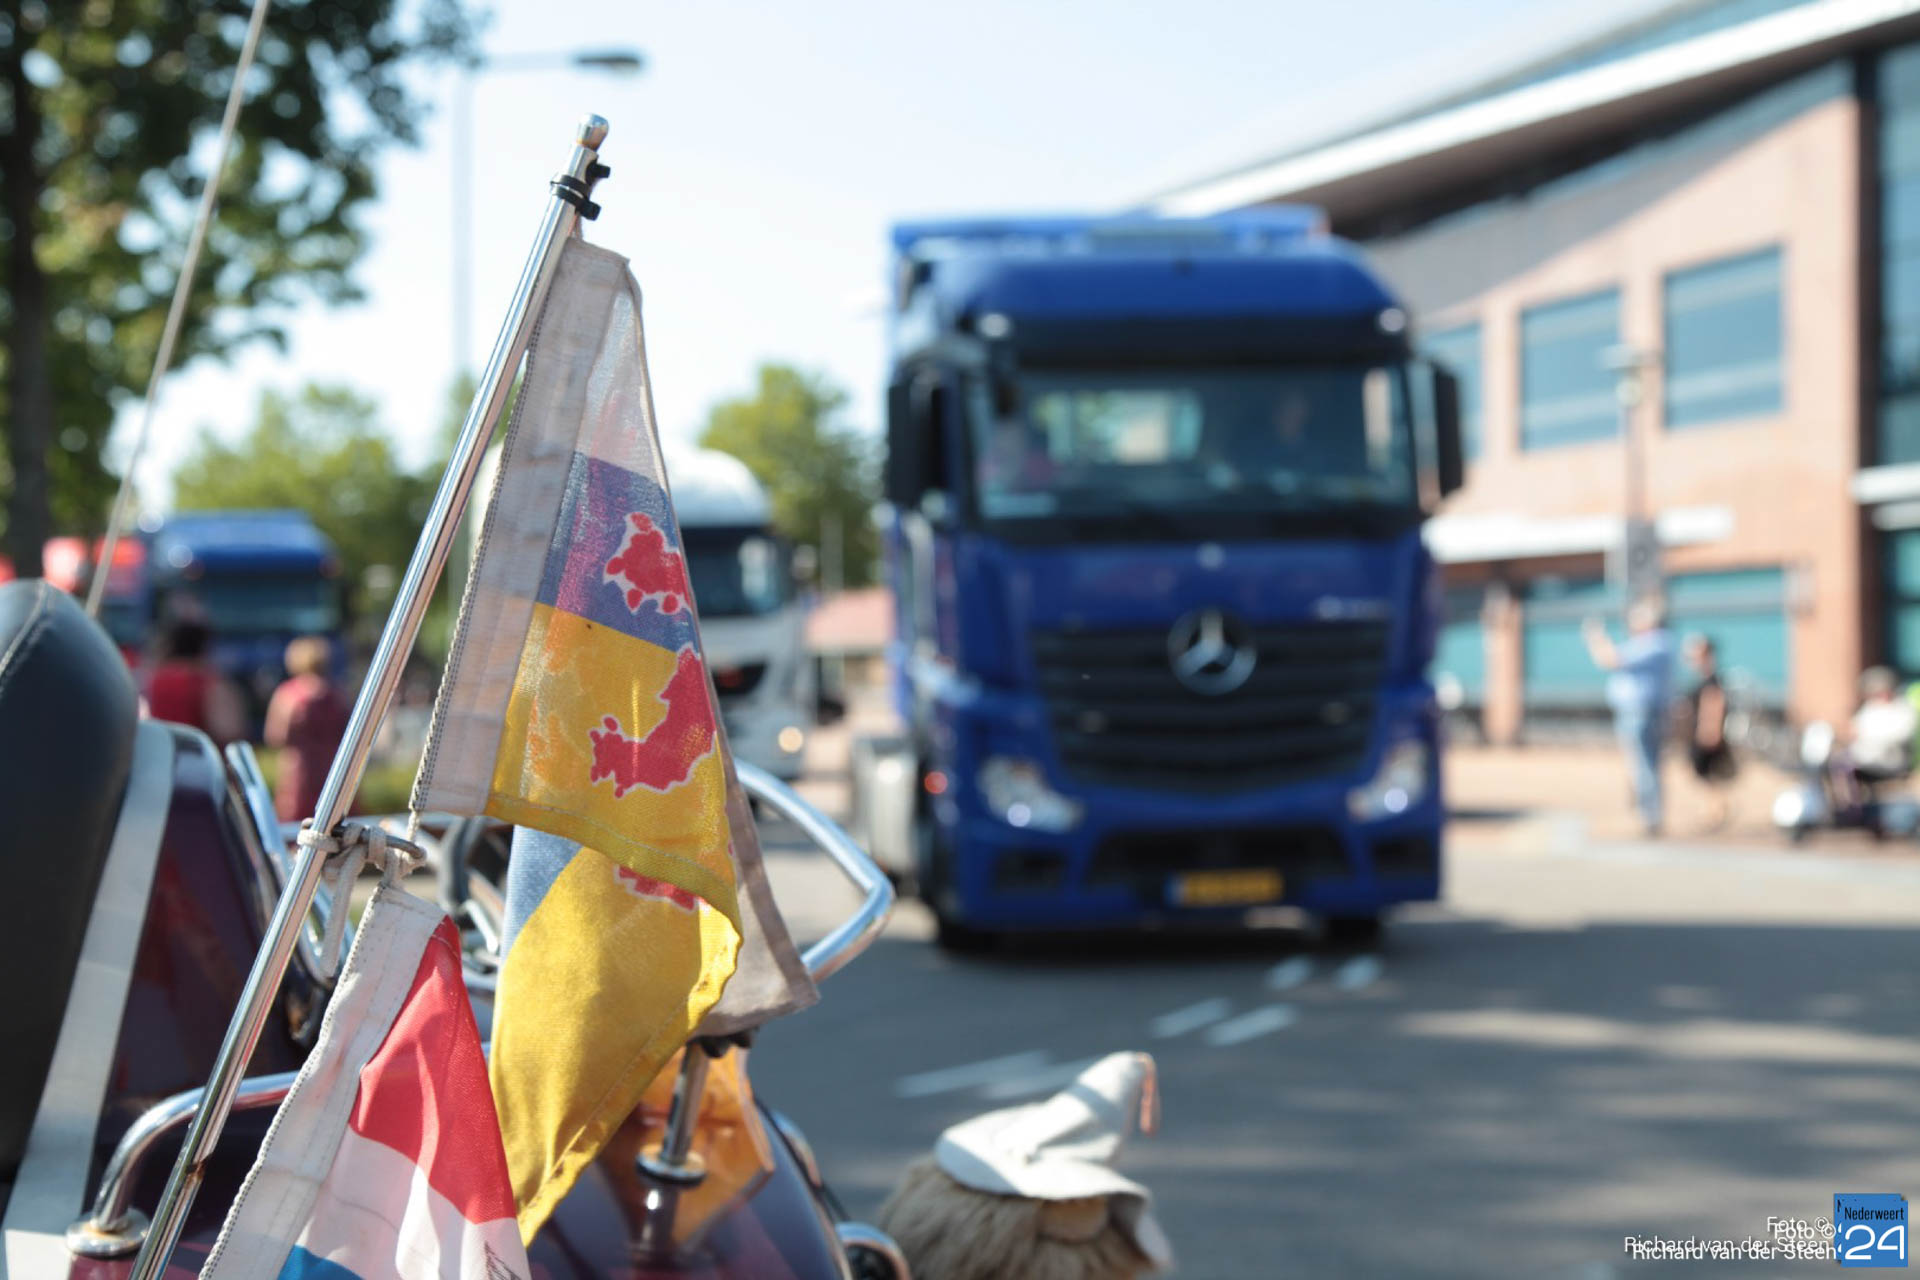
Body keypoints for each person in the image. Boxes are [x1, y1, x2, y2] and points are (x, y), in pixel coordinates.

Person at [1583, 597, 1676, 836]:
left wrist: (1596, 637)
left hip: (1643, 714)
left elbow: (1610, 659)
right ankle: (1646, 813)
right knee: (1640, 766)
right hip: (1635, 714)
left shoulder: (1656, 642)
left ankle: (1650, 817)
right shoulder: (1644, 643)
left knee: (1645, 766)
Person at [264, 635, 352, 823]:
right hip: (336, 769)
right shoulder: (336, 693)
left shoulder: (289, 693)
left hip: (300, 773)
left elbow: (275, 736)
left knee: (296, 826)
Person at [145, 616, 247, 745]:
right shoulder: (208, 682)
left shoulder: (154, 680)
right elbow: (228, 730)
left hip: (164, 751)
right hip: (197, 752)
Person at [1682, 634, 1736, 831]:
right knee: (1705, 776)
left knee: (1710, 776)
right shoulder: (1704, 679)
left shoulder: (1711, 681)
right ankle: (1712, 811)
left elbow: (1714, 704)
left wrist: (1710, 730)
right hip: (1700, 732)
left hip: (1707, 734)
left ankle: (1716, 811)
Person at [1845, 666, 1916, 799]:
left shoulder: (1902, 709)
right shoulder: (1868, 709)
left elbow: (1900, 735)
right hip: (1862, 767)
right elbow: (1854, 731)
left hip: (1890, 767)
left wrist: (1867, 736)